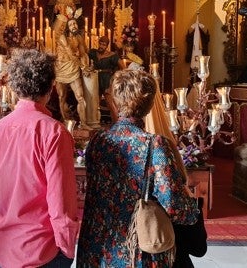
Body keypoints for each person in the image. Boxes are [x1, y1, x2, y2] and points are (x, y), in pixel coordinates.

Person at [76, 69, 199, 267]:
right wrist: (193, 210)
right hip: (136, 249)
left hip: (97, 247)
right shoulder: (155, 145)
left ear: (115, 100)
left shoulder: (98, 141)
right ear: (149, 104)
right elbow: (174, 205)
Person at [0, 48, 79, 267]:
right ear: (51, 86)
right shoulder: (54, 133)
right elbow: (61, 200)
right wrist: (66, 247)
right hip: (42, 248)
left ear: (15, 87)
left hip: (3, 245)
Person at [53, 7, 91, 128]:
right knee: (61, 97)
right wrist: (82, 66)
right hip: (61, 69)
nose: (74, 25)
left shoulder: (79, 38)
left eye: (75, 23)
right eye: (71, 24)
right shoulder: (62, 38)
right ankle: (65, 121)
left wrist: (86, 64)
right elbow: (70, 53)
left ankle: (83, 123)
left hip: (74, 69)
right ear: (66, 27)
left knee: (80, 96)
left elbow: (83, 53)